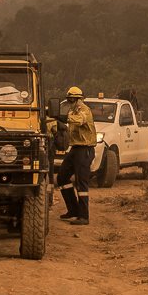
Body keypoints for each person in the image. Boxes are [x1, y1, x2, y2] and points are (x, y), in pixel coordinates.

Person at [56, 86, 97, 226]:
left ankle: (84, 216)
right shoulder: (73, 111)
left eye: (72, 100)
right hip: (75, 149)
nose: (70, 102)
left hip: (85, 150)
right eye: (69, 100)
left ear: (79, 99)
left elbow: (79, 120)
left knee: (81, 182)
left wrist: (62, 117)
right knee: (62, 177)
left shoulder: (84, 110)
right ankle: (73, 210)